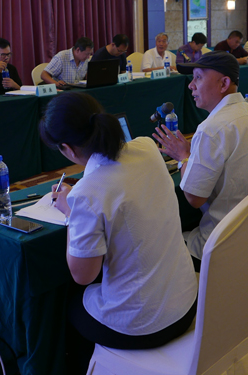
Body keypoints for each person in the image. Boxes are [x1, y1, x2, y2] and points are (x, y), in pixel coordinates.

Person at [41, 93, 197, 374]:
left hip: (144, 325)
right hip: (186, 302)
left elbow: (83, 275)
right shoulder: (147, 147)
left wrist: (71, 213)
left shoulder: (87, 193)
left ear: (67, 148)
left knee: (65, 305)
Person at [153, 51, 248, 269]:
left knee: (155, 244)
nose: (191, 85)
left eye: (198, 78)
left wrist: (183, 157)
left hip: (223, 244)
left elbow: (194, 198)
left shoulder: (211, 128)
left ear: (224, 83)